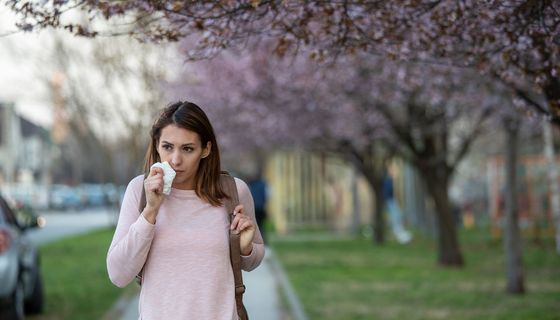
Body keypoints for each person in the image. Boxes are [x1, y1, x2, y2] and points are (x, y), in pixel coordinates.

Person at [107, 101, 265, 320]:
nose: (175, 160)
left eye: (187, 148)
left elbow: (253, 260)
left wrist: (245, 248)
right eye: (167, 147)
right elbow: (118, 274)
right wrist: (151, 211)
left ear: (206, 149)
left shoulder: (233, 190)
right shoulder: (139, 190)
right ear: (156, 145)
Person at [383, 164, 412, 244]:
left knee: (398, 217)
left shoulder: (390, 180)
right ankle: (401, 236)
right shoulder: (388, 180)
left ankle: (402, 235)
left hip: (391, 201)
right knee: (396, 218)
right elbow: (387, 193)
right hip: (390, 201)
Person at [248, 172, 268, 243]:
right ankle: (263, 242)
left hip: (254, 208)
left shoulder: (251, 185)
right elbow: (265, 196)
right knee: (260, 226)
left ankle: (257, 241)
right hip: (260, 208)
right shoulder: (263, 184)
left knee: (255, 226)